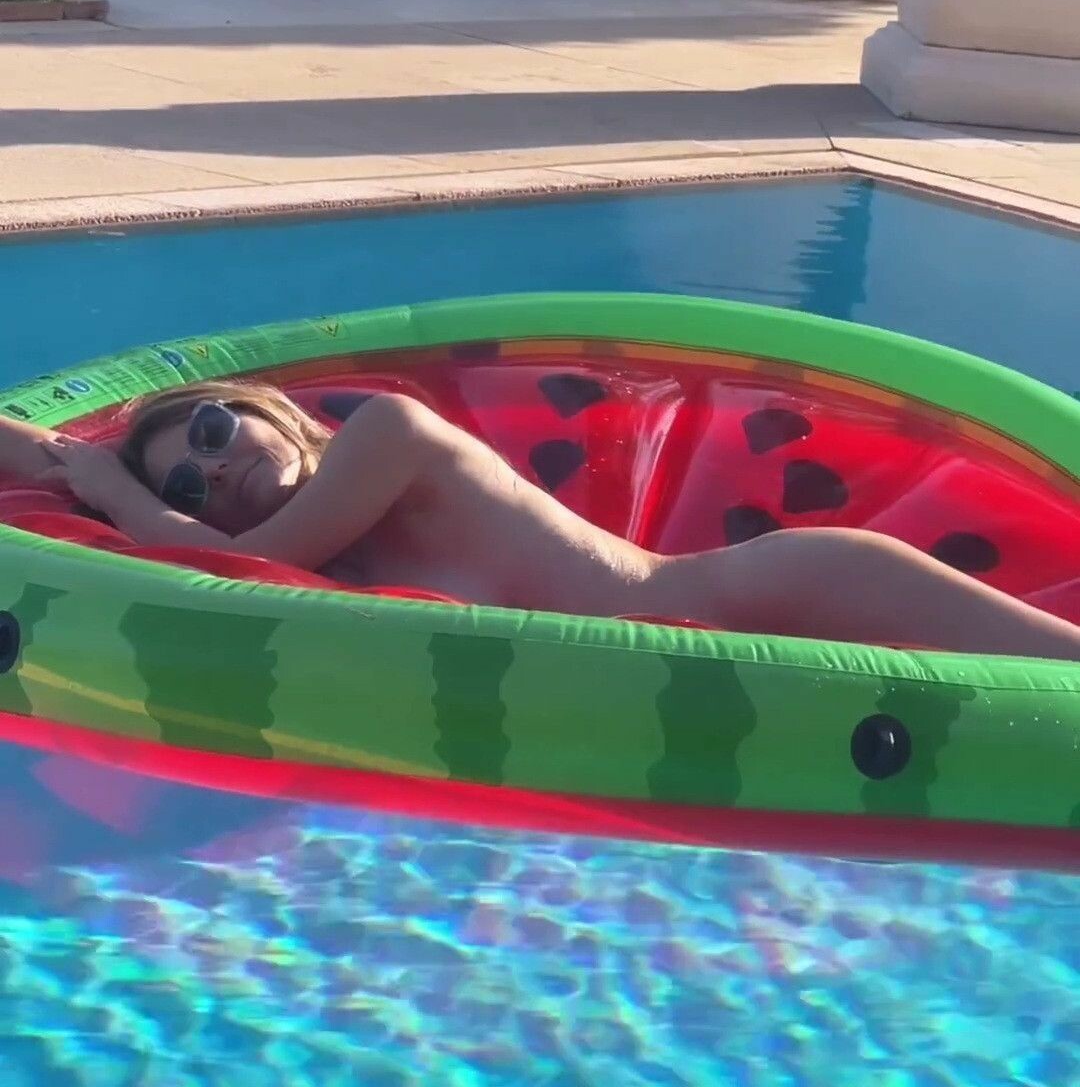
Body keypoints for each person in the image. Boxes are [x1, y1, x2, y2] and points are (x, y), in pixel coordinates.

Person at [3, 380, 1078, 661]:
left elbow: (234, 566)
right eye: (187, 486)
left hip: (789, 597)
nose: (213, 468)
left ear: (263, 410)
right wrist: (72, 468)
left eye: (209, 431)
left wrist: (118, 492)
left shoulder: (387, 434)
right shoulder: (341, 556)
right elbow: (49, 454)